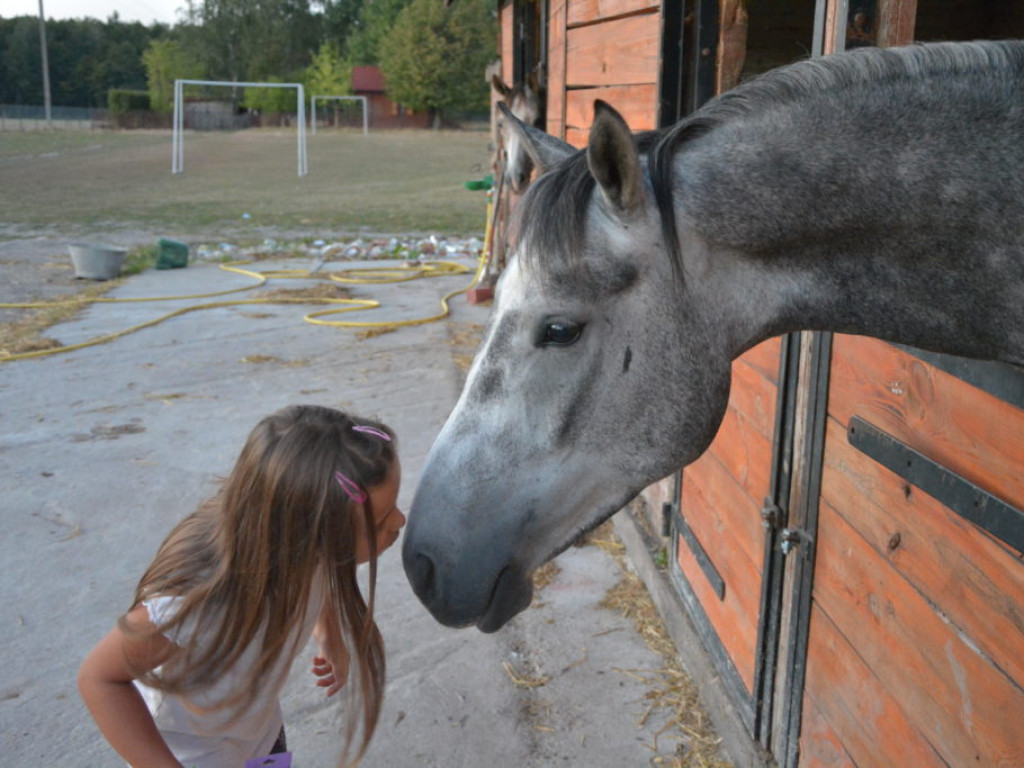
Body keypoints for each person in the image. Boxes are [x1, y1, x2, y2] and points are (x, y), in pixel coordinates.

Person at [78, 405, 405, 768]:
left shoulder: (304, 550)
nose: (401, 521)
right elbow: (99, 679)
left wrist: (328, 632)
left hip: (260, 736)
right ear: (314, 530)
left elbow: (323, 568)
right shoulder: (192, 605)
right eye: (381, 521)